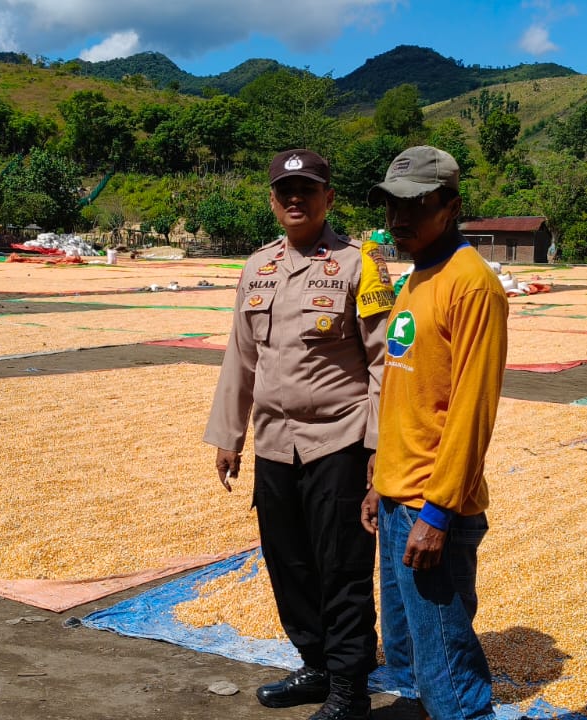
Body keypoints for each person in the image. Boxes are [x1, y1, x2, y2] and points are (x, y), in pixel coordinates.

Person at [205, 149, 390, 720]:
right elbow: (241, 356)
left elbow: (384, 362)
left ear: (328, 198)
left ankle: (349, 690)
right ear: (272, 200)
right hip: (274, 444)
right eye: (285, 191)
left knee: (343, 569)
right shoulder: (257, 267)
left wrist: (380, 447)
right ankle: (316, 665)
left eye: (307, 190)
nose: (295, 199)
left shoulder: (361, 265)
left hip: (339, 440)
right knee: (289, 565)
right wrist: (229, 435)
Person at [360, 146, 508, 720]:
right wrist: (379, 477)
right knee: (411, 656)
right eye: (391, 206)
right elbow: (409, 389)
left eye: (415, 205)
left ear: (451, 207)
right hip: (398, 498)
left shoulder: (471, 285)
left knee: (448, 671)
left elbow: (472, 410)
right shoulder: (418, 276)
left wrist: (439, 512)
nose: (399, 218)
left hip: (431, 506)